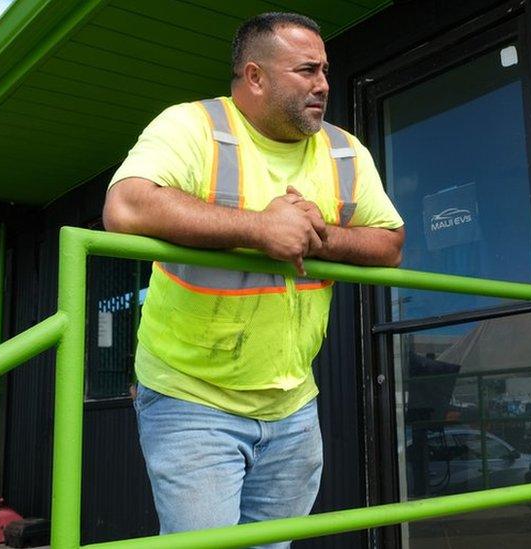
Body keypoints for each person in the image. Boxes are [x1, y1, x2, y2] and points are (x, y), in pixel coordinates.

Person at [101, 12, 404, 546]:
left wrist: (321, 236)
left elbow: (390, 243)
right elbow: (126, 206)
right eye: (307, 70)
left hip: (292, 402)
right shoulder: (193, 126)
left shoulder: (344, 150)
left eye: (326, 71)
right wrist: (260, 229)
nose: (324, 85)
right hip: (190, 397)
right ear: (255, 76)